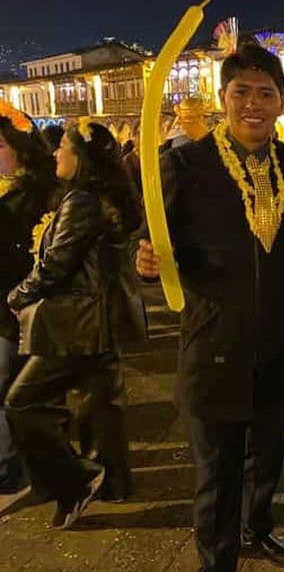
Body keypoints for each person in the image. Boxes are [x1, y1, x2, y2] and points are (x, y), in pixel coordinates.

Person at [135, 44, 284, 571]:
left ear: (283, 102)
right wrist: (143, 261)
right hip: (213, 347)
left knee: (269, 461)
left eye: (266, 93)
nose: (253, 104)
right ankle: (219, 563)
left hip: (276, 351)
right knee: (218, 476)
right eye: (242, 93)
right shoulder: (185, 164)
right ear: (223, 97)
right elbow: (149, 244)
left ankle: (258, 531)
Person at [5, 120, 144, 528]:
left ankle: (74, 478)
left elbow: (56, 264)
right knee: (101, 402)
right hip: (99, 316)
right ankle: (113, 481)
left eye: (62, 147)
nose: (54, 154)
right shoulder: (101, 195)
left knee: (22, 402)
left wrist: (17, 296)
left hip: (77, 321)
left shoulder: (82, 199)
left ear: (80, 156)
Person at [0, 106, 59, 495]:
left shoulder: (39, 191)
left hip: (21, 305)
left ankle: (12, 467)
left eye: (0, 144)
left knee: (15, 389)